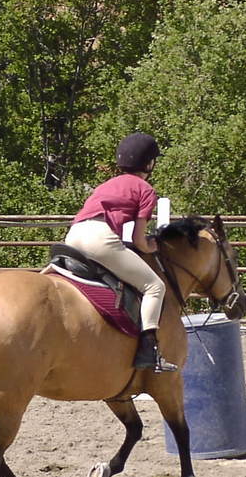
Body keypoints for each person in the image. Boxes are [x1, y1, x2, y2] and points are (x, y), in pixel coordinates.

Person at [65, 132, 178, 372]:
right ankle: (149, 351)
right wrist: (151, 246)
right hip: (99, 239)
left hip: (73, 235)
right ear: (149, 163)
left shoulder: (106, 185)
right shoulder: (145, 189)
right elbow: (139, 239)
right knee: (154, 287)